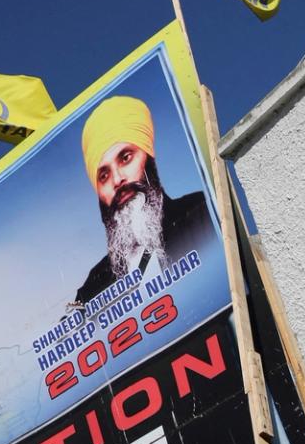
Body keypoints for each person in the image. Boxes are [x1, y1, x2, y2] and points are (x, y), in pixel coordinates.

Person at [74, 96, 217, 306]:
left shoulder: (203, 213)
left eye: (126, 158)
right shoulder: (95, 286)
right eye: (103, 175)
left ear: (148, 157)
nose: (117, 180)